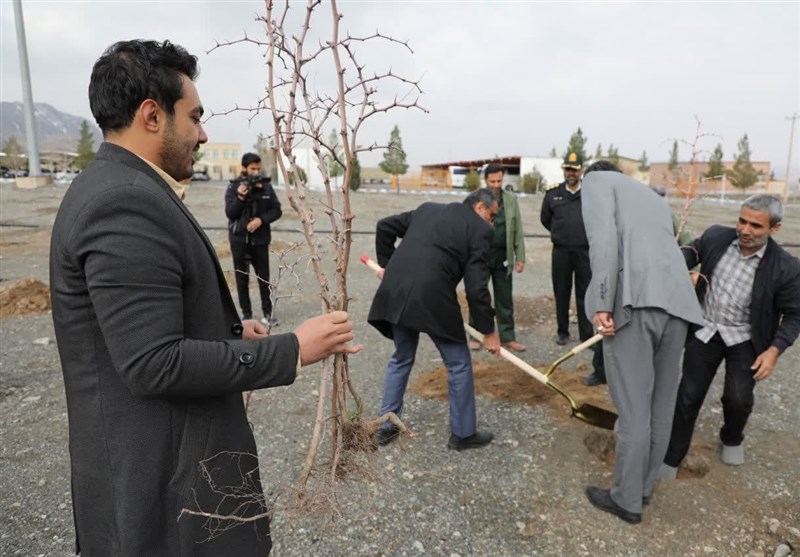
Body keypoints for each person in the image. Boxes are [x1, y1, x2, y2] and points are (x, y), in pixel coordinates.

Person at [50, 40, 359, 556]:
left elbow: (146, 324)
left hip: (163, 484)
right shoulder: (122, 203)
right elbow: (152, 363)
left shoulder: (126, 186)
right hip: (164, 497)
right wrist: (291, 350)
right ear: (152, 115)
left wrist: (231, 332)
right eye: (194, 117)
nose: (203, 132)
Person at [580, 161, 704, 524]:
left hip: (636, 304)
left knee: (634, 411)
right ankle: (645, 488)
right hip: (678, 305)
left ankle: (626, 499)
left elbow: (603, 240)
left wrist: (602, 302)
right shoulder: (652, 199)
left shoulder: (597, 182)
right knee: (660, 406)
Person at [661, 195, 800, 475]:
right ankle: (672, 456)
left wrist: (773, 351)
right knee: (688, 395)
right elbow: (692, 250)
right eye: (742, 221)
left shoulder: (786, 267)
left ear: (774, 228)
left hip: (745, 339)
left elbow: (794, 315)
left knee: (738, 398)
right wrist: (680, 264)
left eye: (756, 226)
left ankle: (732, 437)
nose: (745, 230)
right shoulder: (716, 237)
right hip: (706, 330)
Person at [368, 189, 501, 451]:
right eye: (492, 215)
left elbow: (384, 227)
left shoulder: (427, 208)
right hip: (434, 298)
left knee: (401, 357)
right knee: (458, 364)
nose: (492, 222)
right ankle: (463, 435)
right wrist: (488, 330)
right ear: (479, 208)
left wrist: (389, 267)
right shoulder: (479, 230)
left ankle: (387, 425)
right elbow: (476, 288)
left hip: (397, 292)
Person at [540, 151, 606, 386]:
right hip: (561, 252)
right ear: (564, 171)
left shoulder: (589, 195)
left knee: (584, 294)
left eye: (575, 169)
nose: (571, 173)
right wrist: (561, 234)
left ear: (580, 171)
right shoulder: (553, 195)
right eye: (568, 169)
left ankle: (586, 335)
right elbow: (545, 219)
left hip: (584, 252)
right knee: (561, 292)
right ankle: (562, 331)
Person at [467, 163, 527, 352]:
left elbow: (517, 228)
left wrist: (520, 256)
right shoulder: (476, 199)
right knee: (478, 294)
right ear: (485, 180)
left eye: (499, 181)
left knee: (504, 297)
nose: (495, 184)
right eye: (492, 181)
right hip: (481, 255)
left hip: (503, 256)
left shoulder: (510, 200)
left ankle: (508, 336)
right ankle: (476, 335)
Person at [225, 152, 282, 326]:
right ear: (244, 168)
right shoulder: (233, 187)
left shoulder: (266, 187)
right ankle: (246, 315)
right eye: (252, 168)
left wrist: (261, 220)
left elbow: (277, 210)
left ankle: (267, 313)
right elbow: (230, 213)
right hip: (239, 241)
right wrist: (241, 197)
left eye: (258, 168)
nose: (256, 171)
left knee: (264, 278)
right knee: (242, 279)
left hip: (260, 241)